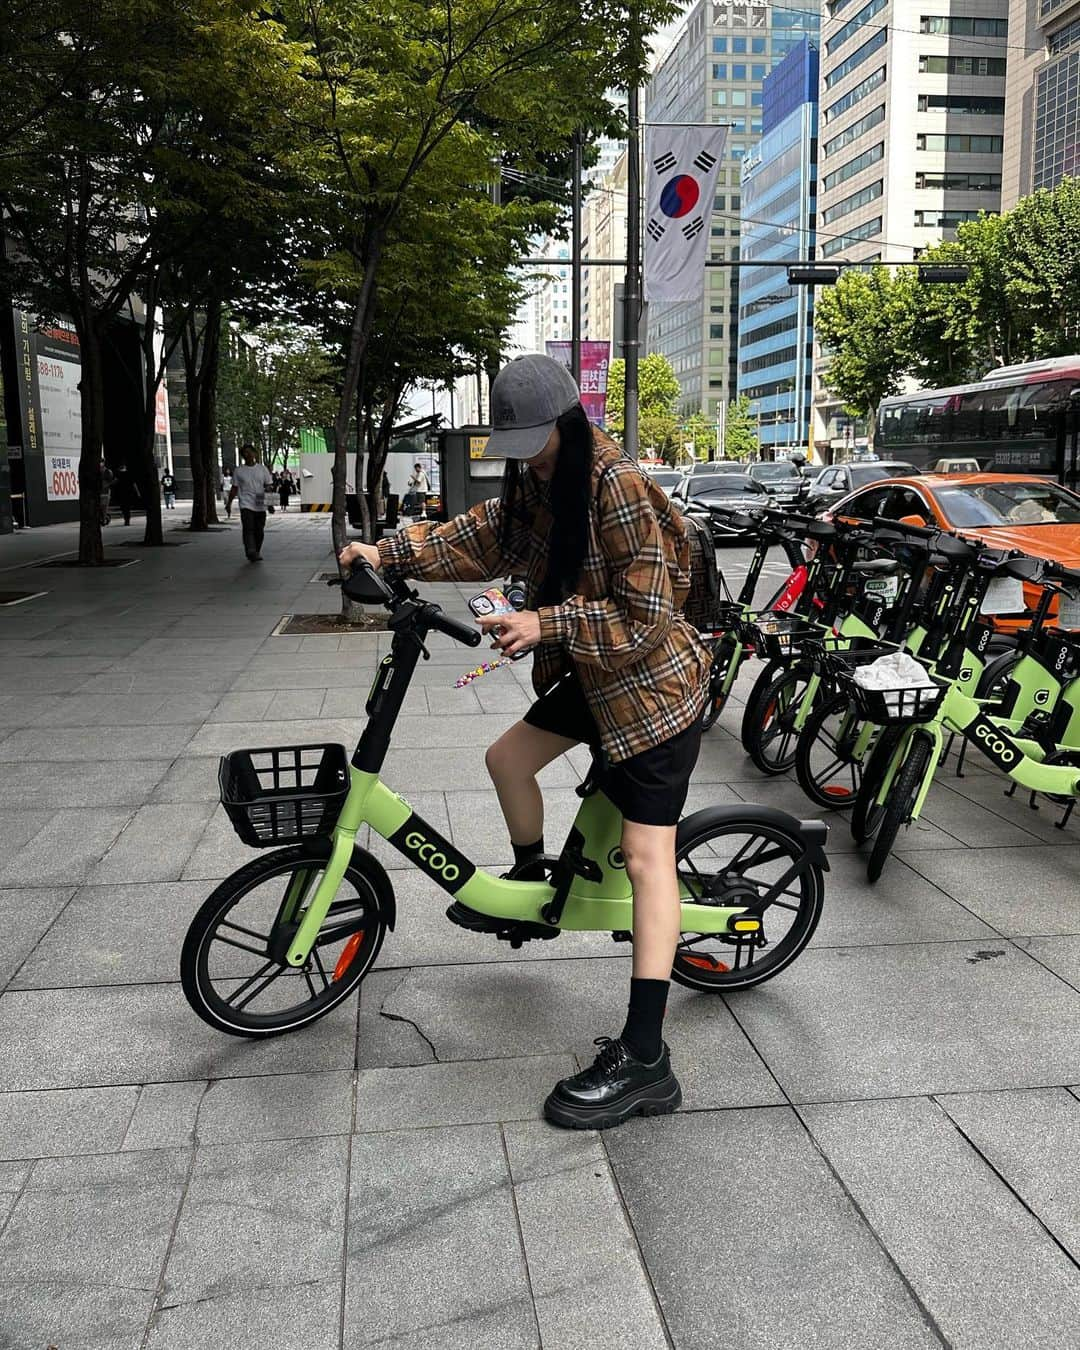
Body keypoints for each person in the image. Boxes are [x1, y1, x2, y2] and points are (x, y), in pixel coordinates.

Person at [339, 353, 711, 1130]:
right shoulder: (539, 478)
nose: (530, 458)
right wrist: (391, 552)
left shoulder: (618, 486)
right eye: (519, 445)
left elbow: (647, 621)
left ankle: (647, 1060)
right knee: (505, 756)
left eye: (538, 441)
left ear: (569, 423)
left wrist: (546, 622)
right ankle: (530, 884)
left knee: (648, 859)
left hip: (651, 692)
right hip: (594, 674)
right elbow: (485, 536)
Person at [228, 445, 274, 561]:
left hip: (260, 501)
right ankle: (250, 550)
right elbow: (234, 488)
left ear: (255, 453)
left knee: (259, 530)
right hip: (245, 503)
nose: (248, 455)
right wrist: (228, 503)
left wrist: (270, 504)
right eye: (245, 453)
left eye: (250, 452)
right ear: (242, 456)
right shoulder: (239, 471)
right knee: (248, 528)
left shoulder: (262, 469)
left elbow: (268, 486)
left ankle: (256, 551)